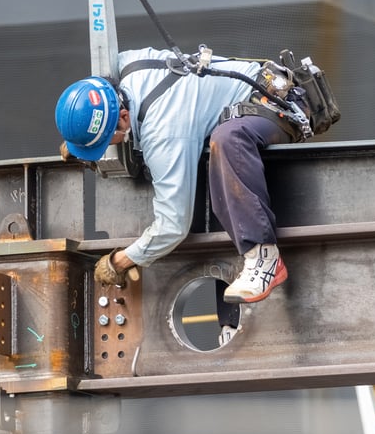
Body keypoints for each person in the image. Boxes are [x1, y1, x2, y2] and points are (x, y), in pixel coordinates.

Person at [55, 46, 312, 305]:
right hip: (250, 94)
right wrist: (83, 143)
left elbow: (173, 226)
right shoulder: (124, 63)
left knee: (227, 140)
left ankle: (265, 258)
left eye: (108, 139)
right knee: (210, 165)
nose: (109, 146)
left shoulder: (164, 133)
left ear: (123, 117)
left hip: (279, 103)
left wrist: (122, 260)